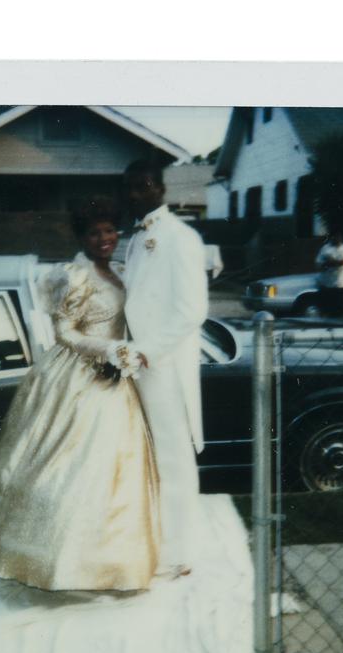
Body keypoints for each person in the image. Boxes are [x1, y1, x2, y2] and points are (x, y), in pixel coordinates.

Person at [0, 198, 160, 592]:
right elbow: (66, 333)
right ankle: (52, 558)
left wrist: (126, 352)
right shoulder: (74, 275)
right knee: (65, 464)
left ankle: (110, 562)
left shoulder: (121, 271)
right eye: (95, 232)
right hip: (76, 376)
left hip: (114, 375)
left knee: (113, 469)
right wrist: (106, 351)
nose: (104, 238)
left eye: (110, 230)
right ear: (82, 236)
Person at [122, 160, 209, 579]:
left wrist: (146, 352)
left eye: (144, 186)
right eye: (131, 189)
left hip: (165, 365)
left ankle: (180, 553)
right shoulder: (137, 239)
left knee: (174, 460)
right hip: (140, 367)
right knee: (153, 458)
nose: (136, 195)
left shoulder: (181, 238)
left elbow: (192, 310)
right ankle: (160, 540)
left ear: (159, 187)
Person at [315, 230, 343, 316]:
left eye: (340, 237)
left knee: (341, 308)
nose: (338, 238)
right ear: (332, 237)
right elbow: (319, 264)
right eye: (336, 237)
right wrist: (331, 263)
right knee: (328, 308)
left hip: (342, 283)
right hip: (328, 283)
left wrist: (338, 262)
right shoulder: (325, 249)